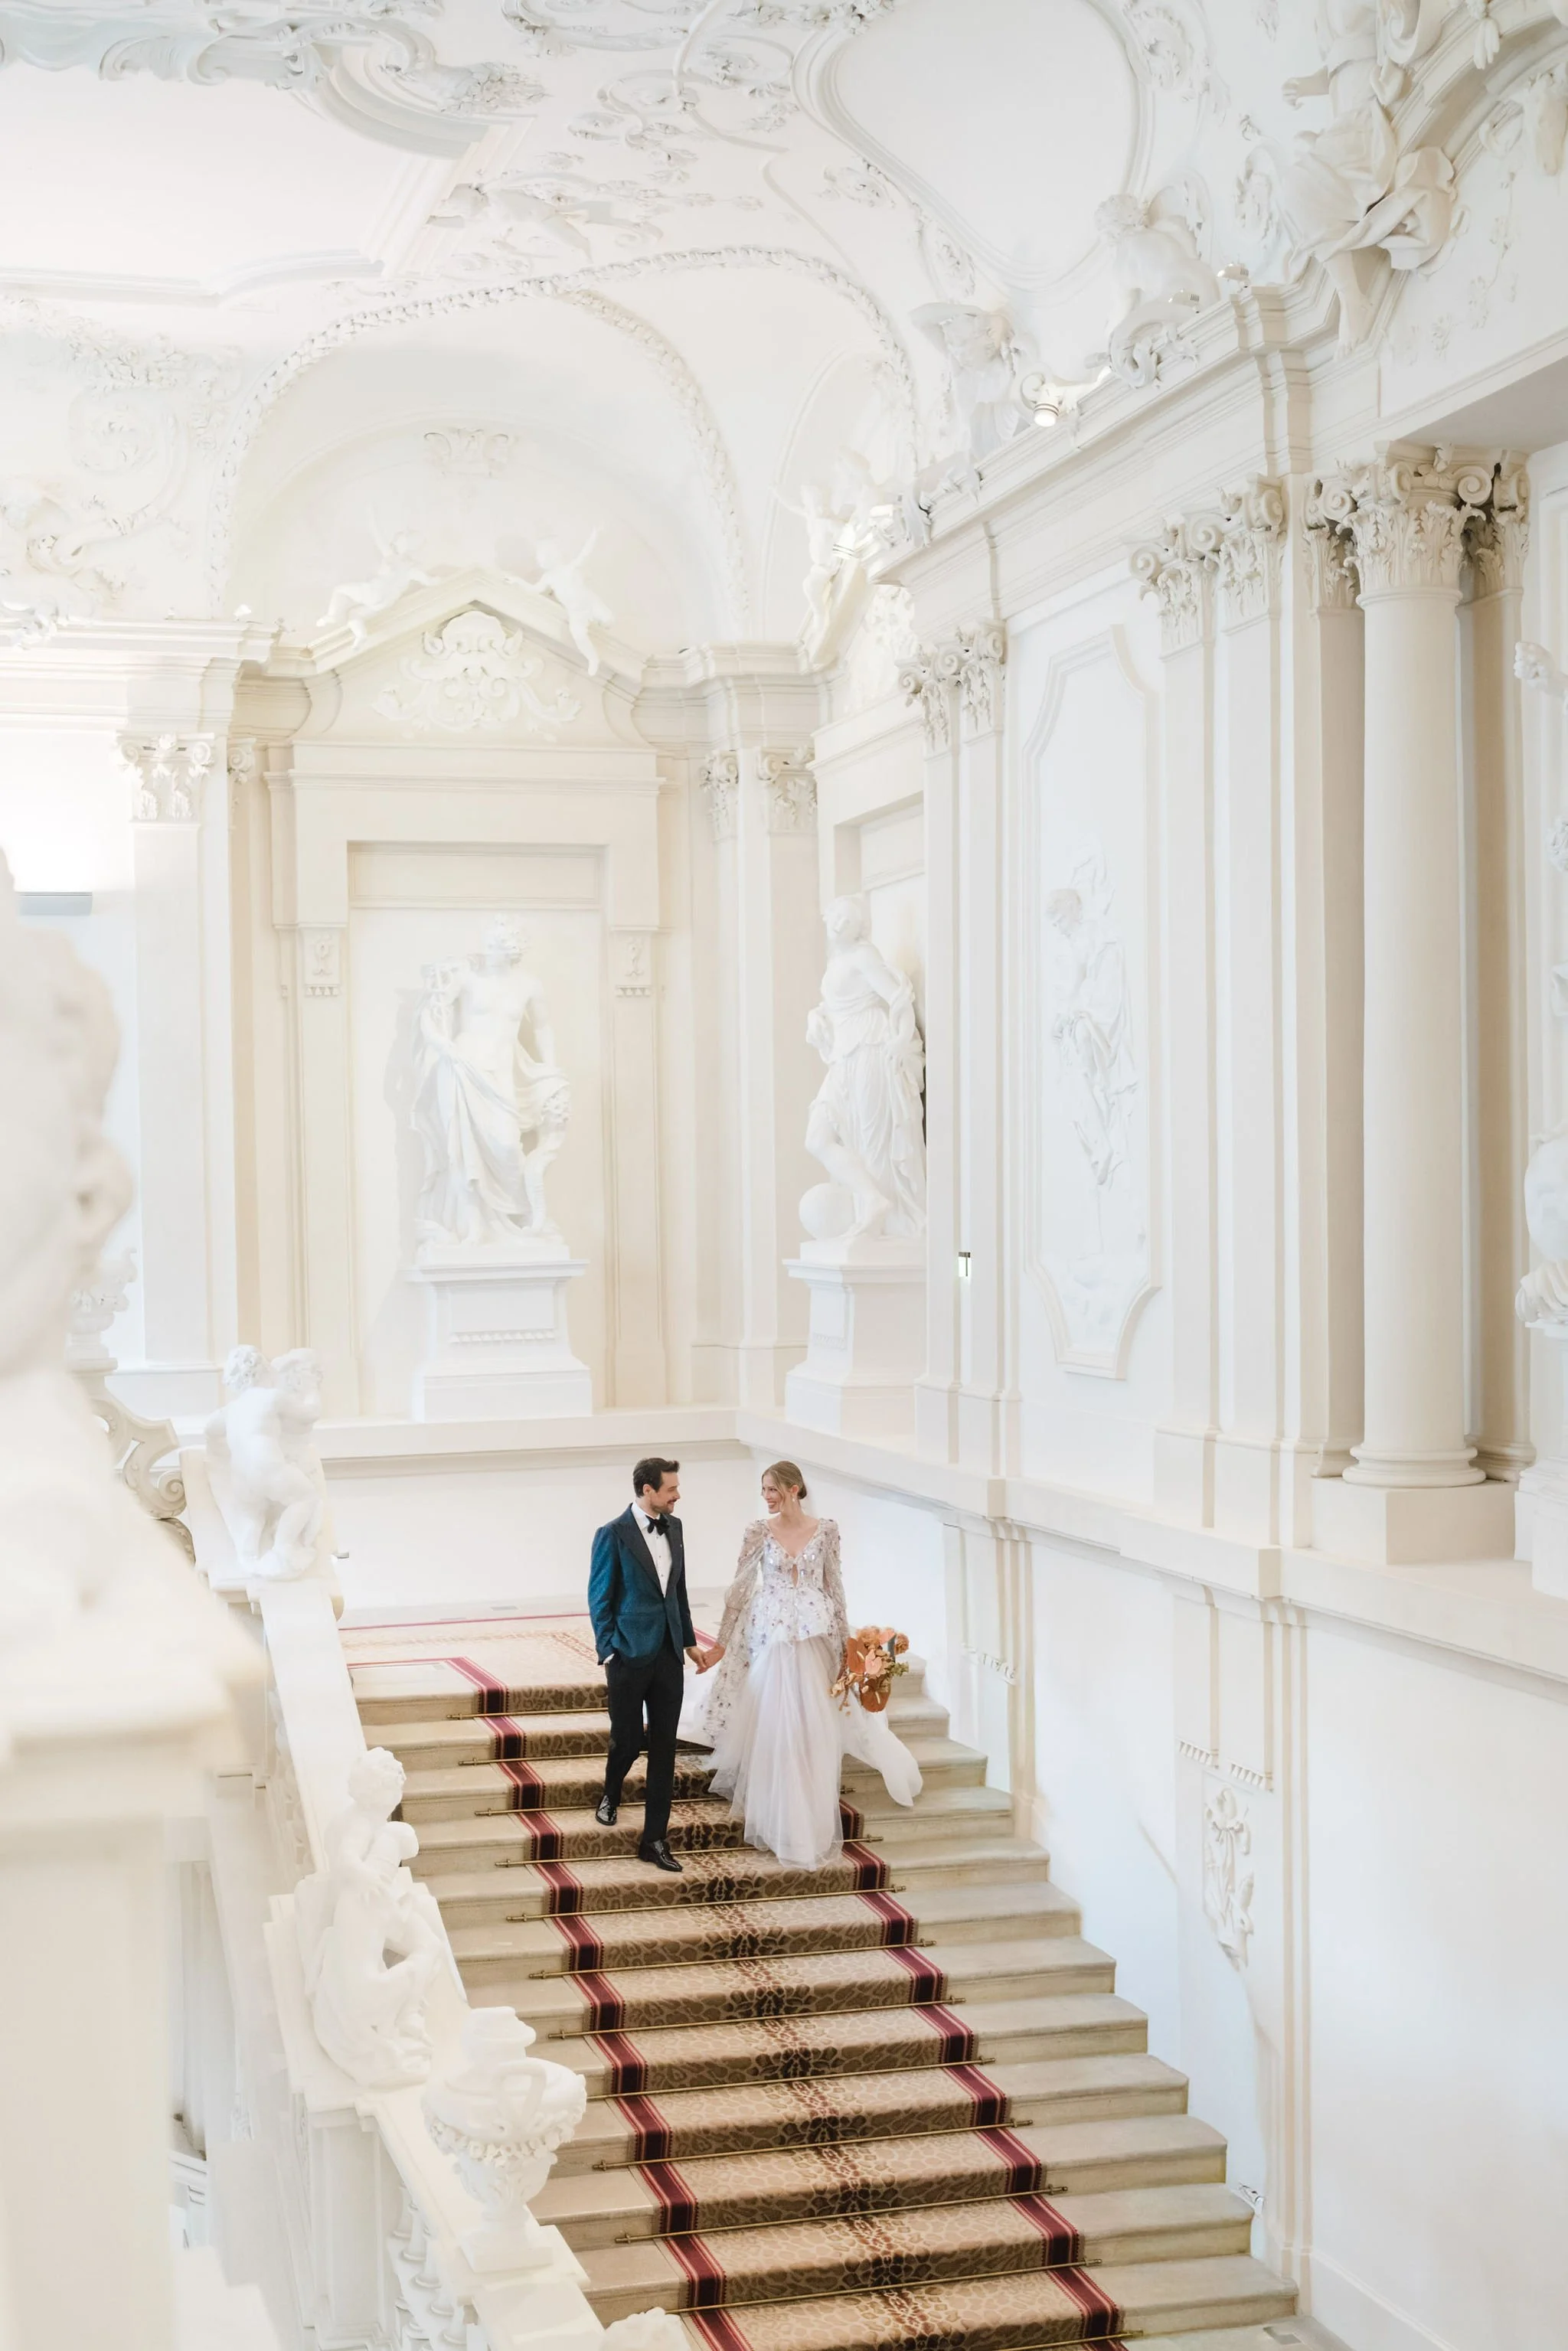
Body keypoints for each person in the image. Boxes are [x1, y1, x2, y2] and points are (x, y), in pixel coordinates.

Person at [684, 1461, 921, 1869]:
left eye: (772, 1489)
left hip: (815, 1638)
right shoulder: (757, 1531)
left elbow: (835, 1587)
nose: (766, 1497)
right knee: (777, 1726)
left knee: (812, 1729)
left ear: (794, 1489)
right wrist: (721, 1643)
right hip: (772, 1639)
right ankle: (777, 1816)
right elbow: (739, 1591)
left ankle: (808, 1815)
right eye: (763, 1490)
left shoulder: (827, 1530)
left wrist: (851, 1652)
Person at [588, 1457, 705, 1873]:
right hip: (628, 1653)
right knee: (626, 1740)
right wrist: (609, 1649)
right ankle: (611, 1792)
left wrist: (689, 1642)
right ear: (647, 1490)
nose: (678, 1495)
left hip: (669, 1653)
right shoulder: (613, 1534)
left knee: (664, 1749)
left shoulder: (675, 1527)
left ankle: (654, 1839)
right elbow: (599, 1597)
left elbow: (679, 1591)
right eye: (671, 1489)